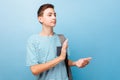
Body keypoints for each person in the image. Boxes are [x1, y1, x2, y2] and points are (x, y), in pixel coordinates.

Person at [26, 3, 92, 80]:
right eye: (50, 15)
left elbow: (63, 61)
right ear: (40, 19)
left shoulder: (61, 38)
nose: (54, 17)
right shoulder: (33, 40)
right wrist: (59, 58)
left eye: (55, 15)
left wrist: (76, 63)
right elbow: (34, 70)